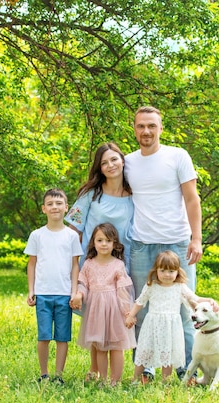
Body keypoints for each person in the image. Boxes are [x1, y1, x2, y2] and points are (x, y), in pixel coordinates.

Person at [124, 105, 203, 382]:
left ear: (161, 128)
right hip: (142, 245)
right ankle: (144, 369)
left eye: (151, 126)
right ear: (134, 129)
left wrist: (196, 239)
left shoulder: (177, 156)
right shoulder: (128, 162)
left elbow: (192, 199)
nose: (146, 131)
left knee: (184, 309)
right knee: (143, 309)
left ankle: (187, 369)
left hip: (177, 243)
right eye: (141, 126)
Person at [65, 142, 134, 381]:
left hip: (122, 263)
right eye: (104, 163)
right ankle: (94, 369)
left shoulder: (134, 193)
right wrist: (72, 263)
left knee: (115, 315)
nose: (110, 165)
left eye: (114, 159)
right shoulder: (91, 195)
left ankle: (120, 371)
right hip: (93, 263)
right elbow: (73, 228)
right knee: (94, 316)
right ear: (99, 168)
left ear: (122, 161)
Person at [125, 251, 215, 383]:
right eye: (163, 271)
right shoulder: (151, 285)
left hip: (170, 327)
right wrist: (131, 315)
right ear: (156, 270)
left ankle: (165, 382)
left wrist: (208, 299)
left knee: (166, 355)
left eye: (171, 271)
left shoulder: (180, 287)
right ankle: (136, 379)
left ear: (177, 272)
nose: (167, 275)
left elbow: (194, 298)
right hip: (152, 325)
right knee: (144, 351)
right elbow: (140, 302)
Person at [24, 188, 84, 386]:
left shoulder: (71, 236)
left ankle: (59, 375)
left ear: (66, 208)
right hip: (42, 294)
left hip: (64, 294)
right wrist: (31, 290)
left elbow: (75, 265)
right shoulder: (37, 235)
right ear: (43, 209)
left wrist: (74, 291)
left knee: (62, 337)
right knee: (43, 336)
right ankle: (44, 374)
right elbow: (32, 263)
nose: (54, 207)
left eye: (59, 204)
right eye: (50, 204)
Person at [70, 223, 136, 387]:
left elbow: (122, 290)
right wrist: (79, 295)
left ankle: (116, 380)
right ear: (93, 242)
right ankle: (103, 379)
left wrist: (128, 312)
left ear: (115, 243)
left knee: (116, 347)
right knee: (99, 346)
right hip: (96, 311)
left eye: (108, 240)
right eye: (100, 240)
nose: (104, 244)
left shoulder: (118, 264)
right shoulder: (88, 264)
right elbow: (83, 283)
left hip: (114, 311)